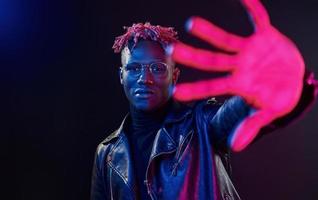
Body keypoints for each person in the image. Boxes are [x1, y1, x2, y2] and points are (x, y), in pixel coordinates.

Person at [90, 0, 317, 199]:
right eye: (134, 68)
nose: (145, 78)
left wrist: (288, 85)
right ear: (122, 76)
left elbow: (236, 114)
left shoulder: (201, 124)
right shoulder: (107, 153)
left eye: (157, 68)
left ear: (175, 76)